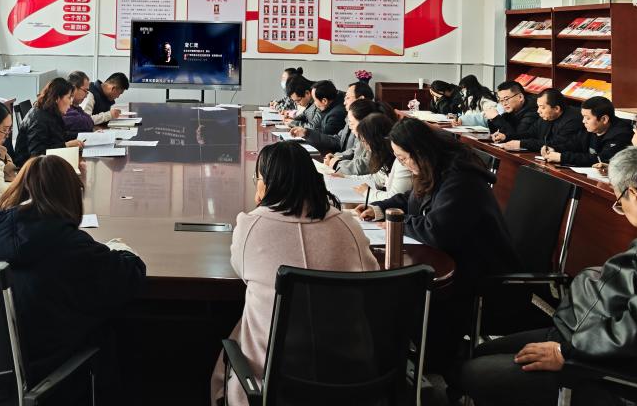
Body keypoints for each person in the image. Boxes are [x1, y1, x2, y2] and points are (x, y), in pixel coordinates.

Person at [460, 147, 637, 406]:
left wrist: (566, 352)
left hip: (612, 370)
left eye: (619, 203)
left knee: (476, 372)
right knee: (481, 352)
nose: (622, 212)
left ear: (635, 196)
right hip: (590, 336)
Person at [211, 141, 379, 406]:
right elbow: (371, 274)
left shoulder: (251, 226)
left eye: (258, 179)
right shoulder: (346, 225)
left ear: (267, 183)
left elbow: (243, 271)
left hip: (272, 385)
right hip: (350, 378)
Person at [0, 155, 146, 400]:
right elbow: (129, 277)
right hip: (47, 381)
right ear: (71, 197)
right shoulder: (69, 246)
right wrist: (122, 249)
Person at [356, 117, 520, 372]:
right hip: (453, 262)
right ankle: (406, 360)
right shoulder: (433, 168)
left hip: (480, 277)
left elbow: (437, 230)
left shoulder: (461, 179)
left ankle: (429, 365)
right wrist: (379, 209)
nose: (403, 164)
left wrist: (396, 222)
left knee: (404, 299)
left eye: (403, 158)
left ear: (420, 152)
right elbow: (410, 199)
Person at [542, 96, 633, 167]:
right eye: (583, 117)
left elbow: (601, 159)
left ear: (604, 119)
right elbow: (573, 144)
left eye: (588, 118)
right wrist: (554, 149)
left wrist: (562, 157)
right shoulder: (591, 128)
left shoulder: (621, 134)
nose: (583, 121)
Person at [13, 77, 85, 166]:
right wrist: (66, 145)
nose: (71, 102)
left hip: (47, 164)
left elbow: (59, 135)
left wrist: (82, 136)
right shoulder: (39, 119)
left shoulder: (51, 112)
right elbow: (37, 154)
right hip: (30, 168)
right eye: (69, 97)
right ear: (57, 98)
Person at [346, 112, 414, 203]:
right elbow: (377, 178)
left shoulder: (401, 161)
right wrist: (345, 177)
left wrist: (368, 192)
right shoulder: (387, 156)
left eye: (365, 142)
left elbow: (395, 197)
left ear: (376, 141)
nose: (365, 147)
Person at [498, 88, 585, 155]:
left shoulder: (572, 120)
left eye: (542, 107)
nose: (538, 111)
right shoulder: (547, 116)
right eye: (538, 106)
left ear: (556, 108)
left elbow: (554, 143)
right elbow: (530, 133)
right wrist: (506, 136)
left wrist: (522, 144)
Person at [320, 98, 394, 174]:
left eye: (351, 123)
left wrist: (336, 164)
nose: (349, 126)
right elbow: (354, 150)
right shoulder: (364, 136)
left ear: (363, 122)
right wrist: (336, 157)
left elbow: (365, 165)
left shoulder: (375, 139)